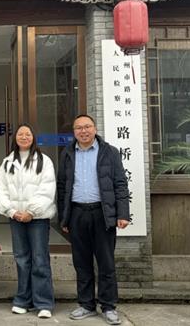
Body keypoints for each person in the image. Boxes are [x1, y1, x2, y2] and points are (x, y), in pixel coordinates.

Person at [57, 114, 130, 326]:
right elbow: (62, 187)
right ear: (74, 132)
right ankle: (86, 304)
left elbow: (120, 184)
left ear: (95, 129)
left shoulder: (109, 152)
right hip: (77, 213)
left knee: (106, 262)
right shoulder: (67, 153)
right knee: (81, 263)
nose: (84, 131)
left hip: (102, 213)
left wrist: (122, 214)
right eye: (79, 128)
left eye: (87, 126)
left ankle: (108, 306)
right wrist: (64, 217)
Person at [0, 123, 56, 319]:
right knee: (21, 259)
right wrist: (12, 211)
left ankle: (43, 303)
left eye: (27, 134)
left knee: (40, 259)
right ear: (15, 138)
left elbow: (47, 189)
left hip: (38, 218)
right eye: (20, 134)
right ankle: (23, 300)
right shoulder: (7, 162)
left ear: (33, 137)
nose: (24, 137)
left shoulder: (44, 161)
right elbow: (0, 190)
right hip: (16, 218)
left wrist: (31, 211)